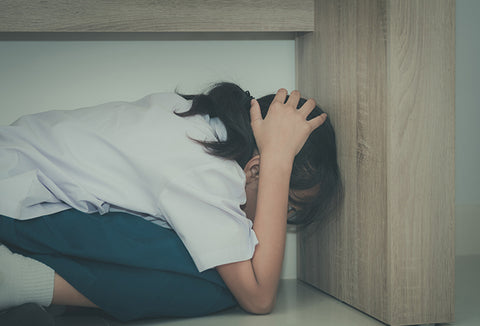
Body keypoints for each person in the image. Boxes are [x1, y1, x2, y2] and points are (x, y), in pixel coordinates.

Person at [0, 82, 342, 322]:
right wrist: (278, 160)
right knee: (219, 285)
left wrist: (275, 161)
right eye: (286, 204)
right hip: (16, 201)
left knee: (208, 261)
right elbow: (258, 297)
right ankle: (14, 279)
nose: (279, 219)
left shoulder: (208, 131)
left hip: (24, 195)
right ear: (256, 170)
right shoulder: (206, 170)